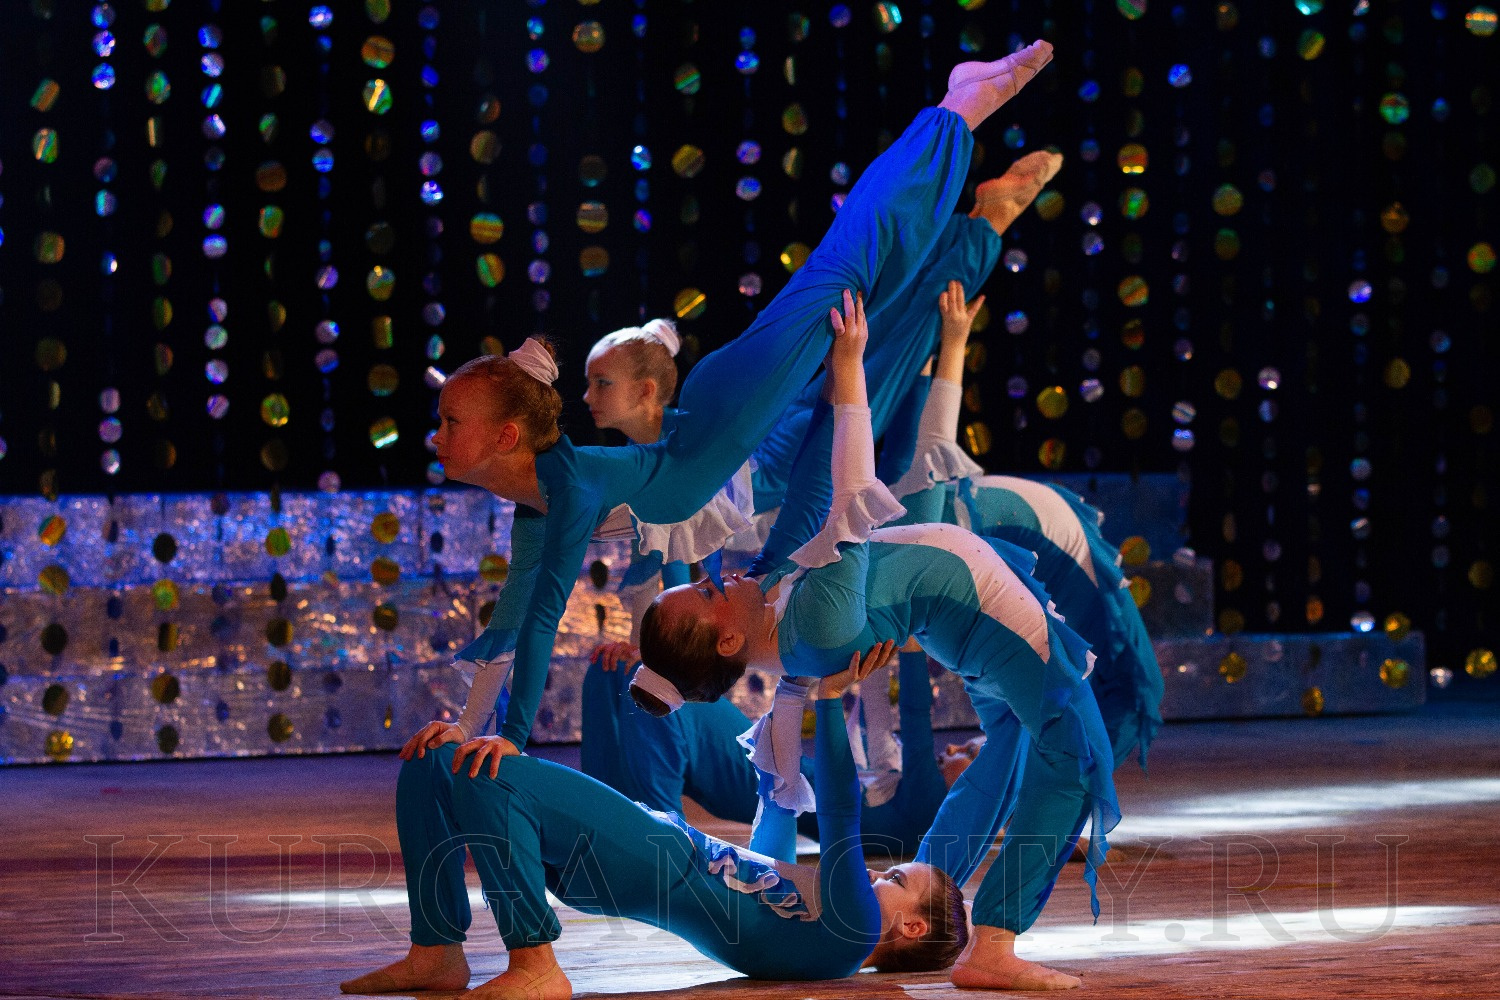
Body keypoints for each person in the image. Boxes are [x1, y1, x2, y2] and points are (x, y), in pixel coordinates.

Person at [401, 41, 1058, 779]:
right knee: (878, 310)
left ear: (506, 435)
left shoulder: (572, 485)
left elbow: (545, 619)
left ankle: (957, 109)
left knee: (849, 269)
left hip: (728, 409)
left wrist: (512, 736)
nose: (437, 435)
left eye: (451, 421)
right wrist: (468, 725)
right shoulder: (539, 510)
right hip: (752, 440)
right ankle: (973, 206)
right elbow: (512, 623)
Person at [636, 286, 1118, 991]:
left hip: (971, 623)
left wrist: (946, 345)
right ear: (728, 643)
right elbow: (851, 488)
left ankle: (926, 895)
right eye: (707, 593)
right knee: (1074, 755)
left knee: (1018, 739)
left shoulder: (781, 607)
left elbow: (917, 471)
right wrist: (850, 367)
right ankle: (994, 944)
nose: (719, 575)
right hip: (989, 624)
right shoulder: (815, 624)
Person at [339, 648, 969, 998]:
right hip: (637, 846)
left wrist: (830, 702)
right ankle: (436, 950)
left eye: (898, 879)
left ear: (911, 927)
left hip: (644, 856)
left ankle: (535, 964)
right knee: (432, 762)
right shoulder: (817, 912)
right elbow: (778, 796)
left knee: (483, 770)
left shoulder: (850, 936)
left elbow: (839, 812)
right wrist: (800, 687)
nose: (879, 875)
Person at [886, 280, 1164, 771]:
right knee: (1096, 685)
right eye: (960, 755)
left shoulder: (905, 540)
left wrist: (948, 340)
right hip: (1026, 527)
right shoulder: (900, 553)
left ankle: (1058, 778)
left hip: (1042, 532)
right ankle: (1049, 775)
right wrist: (945, 341)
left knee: (1119, 682)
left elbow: (929, 435)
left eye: (955, 756)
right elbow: (925, 429)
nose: (948, 752)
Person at [584, 641, 980, 856]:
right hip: (760, 759)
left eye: (971, 755)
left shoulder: (929, 808)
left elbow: (915, 713)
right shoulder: (899, 777)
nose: (955, 747)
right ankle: (600, 833)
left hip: (758, 774)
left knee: (657, 691)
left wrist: (913, 648)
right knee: (609, 673)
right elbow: (879, 719)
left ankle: (660, 851)